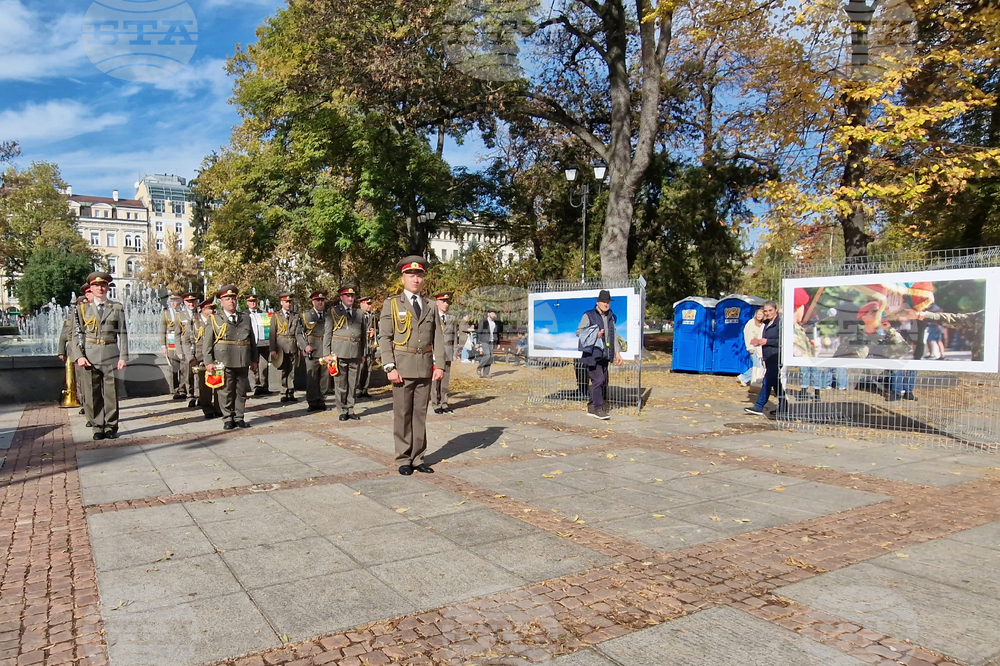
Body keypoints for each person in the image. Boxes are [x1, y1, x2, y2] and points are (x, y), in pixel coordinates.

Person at [379, 256, 446, 476]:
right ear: (403, 278)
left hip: (424, 366)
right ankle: (403, 458)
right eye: (411, 275)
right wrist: (389, 366)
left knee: (420, 414)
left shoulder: (430, 305)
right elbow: (385, 337)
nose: (415, 279)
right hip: (402, 366)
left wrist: (440, 365)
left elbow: (437, 337)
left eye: (419, 275)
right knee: (402, 414)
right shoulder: (392, 303)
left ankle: (418, 457)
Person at [70, 272, 128, 440]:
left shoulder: (116, 307)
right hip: (90, 354)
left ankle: (111, 426)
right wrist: (79, 356)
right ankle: (97, 426)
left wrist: (123, 356)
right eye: (96, 286)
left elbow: (123, 334)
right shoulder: (82, 308)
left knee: (111, 393)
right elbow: (75, 334)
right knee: (92, 392)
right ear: (91, 288)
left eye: (103, 285)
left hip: (111, 353)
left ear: (107, 288)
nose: (100, 288)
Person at [204, 285, 258, 430]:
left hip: (242, 359)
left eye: (233, 298)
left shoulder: (245, 318)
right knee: (226, 391)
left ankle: (239, 417)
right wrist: (208, 362)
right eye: (227, 299)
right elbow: (207, 342)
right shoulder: (215, 319)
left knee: (241, 391)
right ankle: (228, 418)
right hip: (224, 360)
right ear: (221, 302)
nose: (231, 301)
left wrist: (254, 359)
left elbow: (252, 340)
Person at [576, 289, 624, 420]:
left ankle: (591, 407)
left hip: (605, 354)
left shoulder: (610, 317)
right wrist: (594, 335)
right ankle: (598, 409)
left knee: (603, 382)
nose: (606, 304)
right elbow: (579, 332)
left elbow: (613, 336)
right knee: (598, 380)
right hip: (592, 354)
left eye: (608, 302)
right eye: (603, 301)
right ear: (598, 302)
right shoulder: (589, 315)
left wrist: (618, 354)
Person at [324, 285, 367, 421]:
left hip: (355, 352)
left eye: (352, 296)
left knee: (353, 383)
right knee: (340, 383)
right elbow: (327, 333)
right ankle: (341, 410)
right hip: (339, 351)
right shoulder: (333, 312)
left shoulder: (359, 313)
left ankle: (351, 408)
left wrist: (363, 353)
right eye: (347, 296)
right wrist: (326, 354)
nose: (350, 298)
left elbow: (364, 335)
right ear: (342, 297)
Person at [745, 300, 786, 416]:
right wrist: (759, 344)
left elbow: (783, 340)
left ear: (776, 310)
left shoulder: (780, 323)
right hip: (768, 356)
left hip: (776, 355)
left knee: (767, 381)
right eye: (765, 311)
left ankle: (759, 406)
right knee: (776, 383)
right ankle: (784, 406)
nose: (767, 313)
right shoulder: (767, 323)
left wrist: (766, 341)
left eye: (770, 310)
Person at [59, 283, 91, 419]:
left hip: (90, 351)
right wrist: (61, 352)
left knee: (88, 381)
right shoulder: (69, 320)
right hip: (75, 353)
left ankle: (90, 404)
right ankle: (83, 402)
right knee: (79, 381)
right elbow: (64, 337)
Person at [188, 298, 223, 419]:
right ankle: (207, 409)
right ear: (203, 309)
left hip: (216, 354)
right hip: (199, 355)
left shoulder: (218, 320)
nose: (213, 311)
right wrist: (190, 357)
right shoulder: (194, 321)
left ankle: (219, 408)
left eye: (214, 308)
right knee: (204, 385)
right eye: (210, 308)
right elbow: (187, 339)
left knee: (219, 382)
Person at [297, 290, 331, 412]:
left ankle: (322, 400)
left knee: (324, 377)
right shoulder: (306, 316)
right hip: (312, 349)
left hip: (326, 349)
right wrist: (305, 346)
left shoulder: (329, 315)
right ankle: (312, 401)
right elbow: (299, 334)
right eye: (318, 300)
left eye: (322, 300)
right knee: (312, 378)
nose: (320, 303)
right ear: (313, 302)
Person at [269, 292, 301, 403]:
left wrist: (300, 346)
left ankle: (291, 392)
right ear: (281, 302)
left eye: (290, 302)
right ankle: (283, 392)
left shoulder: (296, 315)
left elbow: (298, 332)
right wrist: (272, 348)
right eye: (286, 302)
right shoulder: (276, 315)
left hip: (292, 344)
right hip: (281, 345)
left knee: (292, 370)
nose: (288, 304)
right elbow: (272, 332)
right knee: (282, 370)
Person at [159, 292, 191, 401]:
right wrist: (163, 345)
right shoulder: (166, 313)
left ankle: (183, 390)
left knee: (183, 367)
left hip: (182, 342)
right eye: (172, 301)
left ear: (180, 302)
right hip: (171, 343)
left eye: (175, 301)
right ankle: (176, 389)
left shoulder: (183, 313)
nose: (173, 303)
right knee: (173, 367)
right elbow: (162, 330)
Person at [431, 291, 458, 414]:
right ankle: (435, 403)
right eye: (443, 301)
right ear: (437, 302)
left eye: (447, 301)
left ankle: (444, 402)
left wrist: (455, 351)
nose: (445, 304)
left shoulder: (451, 318)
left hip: (447, 351)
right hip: (436, 352)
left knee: (445, 380)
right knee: (435, 380)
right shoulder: (432, 317)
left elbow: (455, 336)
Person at [243, 294, 272, 396]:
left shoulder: (262, 314)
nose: (253, 303)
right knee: (254, 365)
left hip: (263, 343)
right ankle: (256, 385)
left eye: (254, 301)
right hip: (251, 343)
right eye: (250, 301)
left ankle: (265, 386)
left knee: (264, 365)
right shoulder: (244, 314)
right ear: (247, 303)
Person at [355, 295, 377, 399]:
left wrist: (375, 332)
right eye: (367, 304)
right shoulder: (357, 315)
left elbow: (378, 327)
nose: (370, 306)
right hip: (361, 346)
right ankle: (357, 389)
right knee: (360, 368)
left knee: (368, 369)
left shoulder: (372, 315)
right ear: (361, 304)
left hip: (370, 345)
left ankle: (365, 389)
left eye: (370, 304)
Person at [737, 307, 764, 387]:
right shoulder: (751, 323)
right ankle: (743, 378)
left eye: (761, 314)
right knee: (757, 366)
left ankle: (746, 378)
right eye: (758, 314)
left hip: (760, 347)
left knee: (759, 365)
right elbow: (748, 336)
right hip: (753, 346)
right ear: (755, 314)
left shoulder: (762, 324)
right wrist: (750, 348)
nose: (759, 316)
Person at [182, 293, 201, 404]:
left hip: (198, 347)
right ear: (185, 302)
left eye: (193, 301)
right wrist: (180, 351)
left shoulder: (200, 314)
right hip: (187, 348)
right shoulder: (181, 315)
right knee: (188, 373)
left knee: (199, 373)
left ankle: (199, 395)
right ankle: (190, 394)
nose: (191, 304)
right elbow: (177, 334)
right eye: (189, 302)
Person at [476, 308, 502, 378]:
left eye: (494, 313)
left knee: (490, 357)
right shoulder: (484, 322)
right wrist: (478, 342)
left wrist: (498, 343)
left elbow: (497, 333)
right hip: (484, 341)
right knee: (487, 355)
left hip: (492, 341)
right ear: (488, 314)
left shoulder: (495, 323)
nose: (494, 315)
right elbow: (479, 332)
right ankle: (479, 368)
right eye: (492, 313)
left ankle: (486, 373)